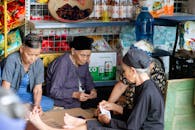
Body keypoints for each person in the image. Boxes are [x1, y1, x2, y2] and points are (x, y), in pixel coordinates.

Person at [29, 47, 164, 130]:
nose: (123, 75)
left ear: (133, 71)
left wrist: (109, 122)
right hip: (136, 126)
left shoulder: (147, 92)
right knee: (94, 123)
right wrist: (114, 107)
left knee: (94, 126)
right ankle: (79, 123)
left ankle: (47, 128)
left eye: (125, 71)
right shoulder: (144, 86)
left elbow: (132, 127)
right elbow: (136, 116)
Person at [1, 33, 54, 113]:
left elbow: (38, 89)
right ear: (22, 49)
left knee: (49, 103)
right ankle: (20, 107)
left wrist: (36, 105)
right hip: (10, 94)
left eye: (36, 55)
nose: (33, 58)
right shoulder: (12, 60)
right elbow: (5, 88)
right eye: (29, 54)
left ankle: (22, 108)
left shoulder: (38, 63)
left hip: (25, 96)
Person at [108, 40, 167, 110]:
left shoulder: (156, 77)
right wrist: (108, 104)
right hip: (129, 109)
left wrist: (117, 108)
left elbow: (144, 108)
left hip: (138, 110)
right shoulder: (131, 69)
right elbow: (121, 86)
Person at [46, 36, 97, 109]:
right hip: (61, 104)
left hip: (76, 103)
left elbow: (88, 81)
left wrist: (92, 90)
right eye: (82, 55)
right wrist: (75, 95)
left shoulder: (84, 62)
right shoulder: (62, 64)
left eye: (88, 55)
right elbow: (54, 91)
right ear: (73, 51)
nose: (85, 59)